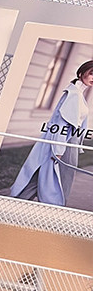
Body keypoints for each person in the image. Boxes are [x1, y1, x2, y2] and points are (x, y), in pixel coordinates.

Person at [9, 60, 93, 206]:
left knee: (45, 176)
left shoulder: (77, 94)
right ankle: (52, 207)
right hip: (64, 144)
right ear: (81, 73)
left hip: (68, 144)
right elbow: (62, 125)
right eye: (92, 73)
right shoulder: (73, 95)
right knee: (58, 181)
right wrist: (58, 150)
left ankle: (16, 201)